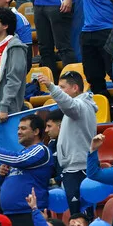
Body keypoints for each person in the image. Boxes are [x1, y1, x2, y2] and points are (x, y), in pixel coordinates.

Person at [0, 115, 55, 226]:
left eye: (23, 128)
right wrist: (1, 175)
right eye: (18, 129)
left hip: (28, 214)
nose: (18, 132)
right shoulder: (22, 153)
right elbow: (4, 183)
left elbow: (19, 160)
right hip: (10, 215)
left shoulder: (40, 149)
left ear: (36, 131)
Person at [41, 71, 98, 214]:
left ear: (75, 88)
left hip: (78, 170)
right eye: (58, 87)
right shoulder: (79, 107)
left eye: (62, 87)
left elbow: (68, 104)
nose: (60, 90)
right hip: (74, 169)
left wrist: (50, 86)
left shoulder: (79, 106)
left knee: (80, 216)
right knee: (79, 216)